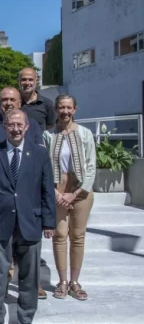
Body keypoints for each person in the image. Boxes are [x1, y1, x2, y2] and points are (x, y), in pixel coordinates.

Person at [0, 109, 56, 324]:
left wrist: (49, 221)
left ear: (27, 126)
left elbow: (47, 189)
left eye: (20, 124)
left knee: (29, 277)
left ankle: (25, 318)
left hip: (31, 222)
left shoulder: (39, 153)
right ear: (5, 127)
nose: (15, 128)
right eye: (11, 124)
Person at [44, 95, 96, 301]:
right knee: (59, 235)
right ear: (56, 110)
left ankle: (75, 281)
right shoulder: (48, 135)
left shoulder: (85, 134)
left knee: (78, 236)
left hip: (80, 189)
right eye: (61, 108)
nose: (65, 111)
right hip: (57, 188)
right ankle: (62, 281)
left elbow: (91, 166)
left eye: (68, 108)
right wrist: (57, 193)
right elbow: (44, 168)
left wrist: (75, 194)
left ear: (75, 109)